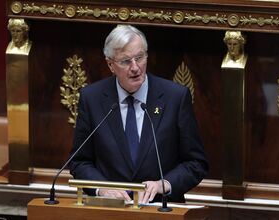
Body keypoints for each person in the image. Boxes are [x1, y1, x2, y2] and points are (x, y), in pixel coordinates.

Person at [69, 24, 208, 204]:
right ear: (110, 64)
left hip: (161, 209)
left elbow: (196, 163)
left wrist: (163, 184)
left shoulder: (175, 97)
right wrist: (102, 188)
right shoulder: (92, 98)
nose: (135, 67)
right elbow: (79, 161)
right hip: (110, 211)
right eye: (126, 61)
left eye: (140, 58)